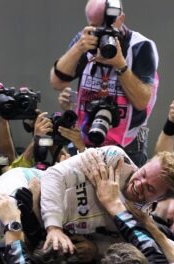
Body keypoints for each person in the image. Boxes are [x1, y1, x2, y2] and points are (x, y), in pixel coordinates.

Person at [50, 0, 158, 166]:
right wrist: (79, 47)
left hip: (127, 146)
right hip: (83, 140)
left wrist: (120, 64)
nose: (101, 33)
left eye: (106, 27)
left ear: (121, 19)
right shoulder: (85, 40)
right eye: (96, 27)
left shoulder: (140, 46)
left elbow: (142, 101)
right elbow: (57, 82)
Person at [42, 145, 174, 253]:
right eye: (143, 174)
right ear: (146, 163)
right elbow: (53, 175)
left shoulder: (141, 218)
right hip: (30, 192)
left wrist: (96, 248)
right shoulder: (114, 159)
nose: (139, 184)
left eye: (150, 188)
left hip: (50, 237)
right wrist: (54, 227)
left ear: (161, 198)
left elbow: (119, 242)